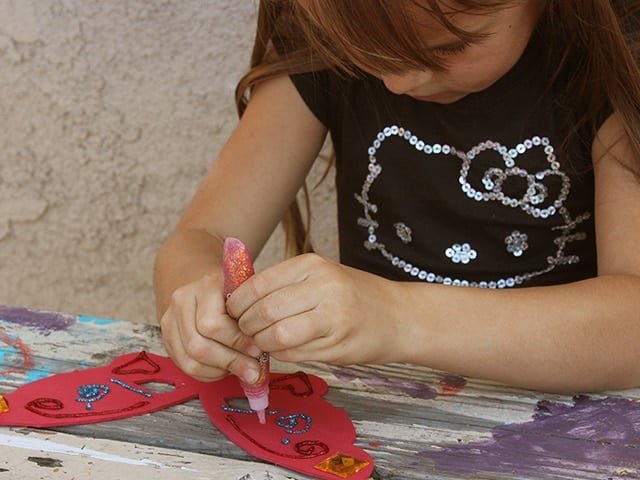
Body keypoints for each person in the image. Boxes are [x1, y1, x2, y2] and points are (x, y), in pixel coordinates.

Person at [153, 0, 640, 393]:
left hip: (566, 431)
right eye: (370, 54)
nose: (398, 81)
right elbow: (205, 235)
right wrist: (197, 300)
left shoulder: (614, 50)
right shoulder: (329, 32)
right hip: (379, 415)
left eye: (449, 47)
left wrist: (396, 318)